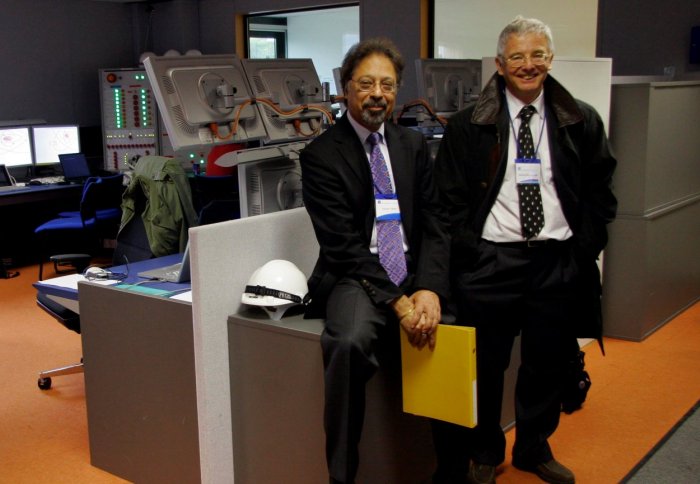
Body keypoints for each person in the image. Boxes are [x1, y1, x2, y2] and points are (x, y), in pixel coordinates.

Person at [434, 16, 617, 484]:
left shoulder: (582, 120)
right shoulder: (467, 125)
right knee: (488, 366)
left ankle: (534, 446)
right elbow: (448, 201)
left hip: (556, 262)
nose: (528, 65)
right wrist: (471, 252)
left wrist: (582, 252)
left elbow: (601, 194)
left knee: (546, 362)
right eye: (517, 56)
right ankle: (485, 450)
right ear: (499, 64)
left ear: (551, 60)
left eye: (538, 55)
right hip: (490, 263)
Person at [300, 38, 451, 484]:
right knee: (346, 343)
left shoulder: (413, 146)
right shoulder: (321, 155)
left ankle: (452, 468)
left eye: (387, 85)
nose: (377, 94)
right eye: (366, 84)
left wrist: (428, 288)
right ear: (347, 88)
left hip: (413, 268)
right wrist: (399, 305)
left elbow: (436, 221)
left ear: (397, 91)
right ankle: (342, 475)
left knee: (462, 330)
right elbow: (342, 244)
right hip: (356, 275)